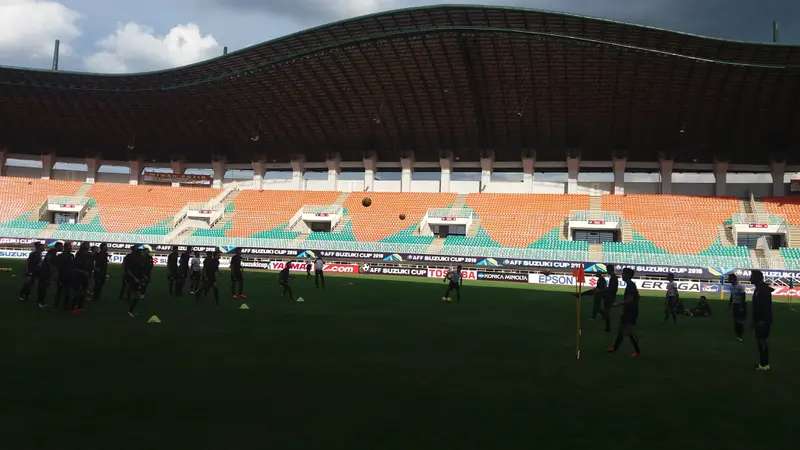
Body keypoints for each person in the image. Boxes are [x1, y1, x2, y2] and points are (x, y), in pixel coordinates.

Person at [607, 267, 641, 357]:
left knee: (629, 332)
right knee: (621, 330)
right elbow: (637, 297)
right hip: (628, 310)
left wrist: (618, 303)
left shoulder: (630, 286)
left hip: (631, 312)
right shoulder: (631, 285)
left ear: (627, 275)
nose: (622, 275)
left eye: (623, 274)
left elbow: (630, 299)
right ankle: (614, 348)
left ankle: (638, 352)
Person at [750, 270, 773, 371]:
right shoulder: (760, 288)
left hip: (763, 320)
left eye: (752, 276)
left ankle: (764, 364)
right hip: (760, 320)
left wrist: (762, 320)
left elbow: (765, 307)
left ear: (757, 278)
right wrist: (754, 320)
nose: (750, 278)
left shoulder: (762, 289)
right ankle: (763, 363)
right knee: (760, 341)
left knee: (762, 341)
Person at [37, 241, 62, 308]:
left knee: (44, 287)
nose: (62, 248)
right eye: (61, 246)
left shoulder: (53, 252)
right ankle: (40, 302)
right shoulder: (53, 251)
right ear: (58, 246)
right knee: (43, 287)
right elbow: (49, 260)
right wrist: (51, 270)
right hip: (45, 272)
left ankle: (41, 302)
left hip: (45, 271)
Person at [595, 264, 619, 332]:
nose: (606, 271)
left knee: (606, 312)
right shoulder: (613, 278)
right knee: (605, 311)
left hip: (610, 297)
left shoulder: (613, 278)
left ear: (610, 270)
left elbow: (612, 289)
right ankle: (607, 327)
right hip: (609, 296)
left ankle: (608, 327)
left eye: (607, 269)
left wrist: (601, 290)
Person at [54, 242, 75, 311]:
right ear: (66, 247)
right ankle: (56, 306)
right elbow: (56, 266)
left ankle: (64, 306)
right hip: (62, 276)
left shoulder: (71, 256)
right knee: (60, 292)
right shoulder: (60, 256)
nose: (70, 248)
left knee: (67, 292)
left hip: (69, 276)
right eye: (69, 247)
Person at [125, 246, 145, 317]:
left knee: (137, 296)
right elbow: (128, 270)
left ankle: (131, 311)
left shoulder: (141, 260)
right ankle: (130, 311)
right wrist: (134, 278)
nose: (144, 254)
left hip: (137, 279)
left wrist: (142, 278)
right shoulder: (135, 260)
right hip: (133, 280)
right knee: (136, 296)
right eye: (142, 253)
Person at [728, 273, 747, 341]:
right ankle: (737, 334)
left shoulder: (740, 286)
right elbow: (732, 296)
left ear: (733, 279)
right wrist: (730, 304)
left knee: (740, 320)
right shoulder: (731, 287)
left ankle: (740, 335)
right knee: (736, 320)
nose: (728, 279)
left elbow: (743, 297)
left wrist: (741, 307)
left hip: (741, 304)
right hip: (735, 304)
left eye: (729, 278)